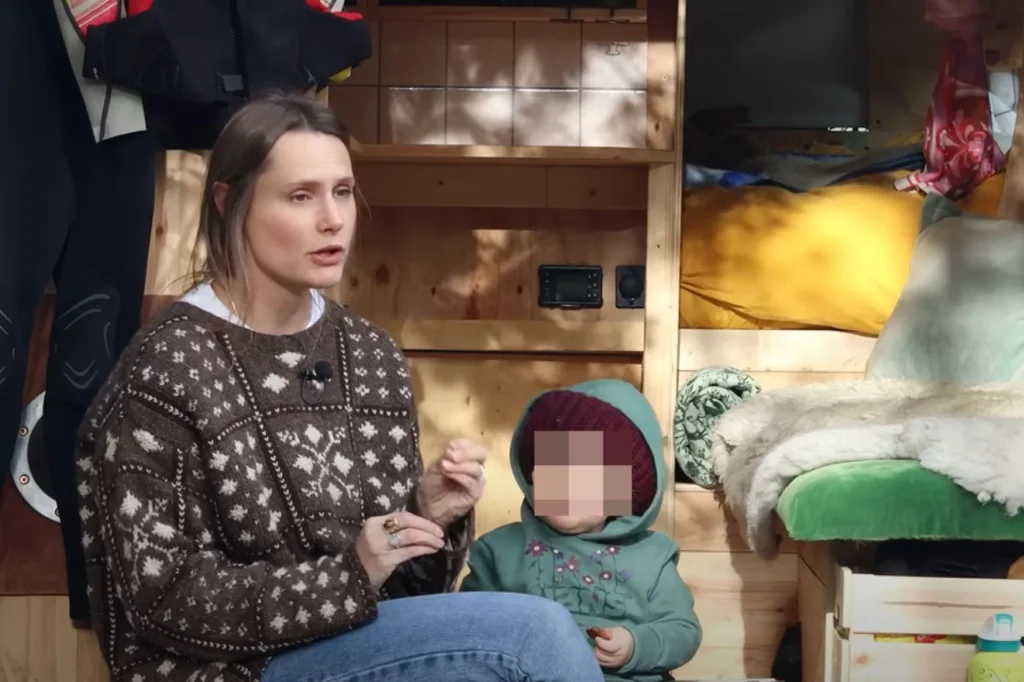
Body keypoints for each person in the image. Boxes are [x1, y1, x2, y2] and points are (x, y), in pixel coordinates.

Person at [74, 93, 607, 682]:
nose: (333, 219)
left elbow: (404, 602)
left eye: (344, 191)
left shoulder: (370, 354)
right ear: (229, 204)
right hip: (227, 671)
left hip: (349, 646)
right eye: (300, 196)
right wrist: (348, 575)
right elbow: (161, 599)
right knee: (534, 635)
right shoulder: (165, 366)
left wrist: (426, 515)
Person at [460, 379, 703, 681]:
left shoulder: (652, 556)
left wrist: (635, 645)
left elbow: (682, 630)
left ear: (625, 492)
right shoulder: (498, 550)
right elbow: (466, 628)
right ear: (534, 474)